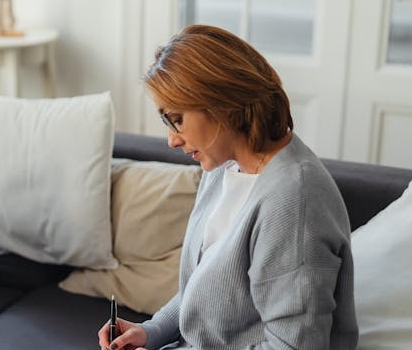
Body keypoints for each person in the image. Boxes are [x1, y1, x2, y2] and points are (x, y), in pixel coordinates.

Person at [98, 24, 357, 350]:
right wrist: (151, 331)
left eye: (177, 119)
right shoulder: (223, 166)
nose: (172, 140)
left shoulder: (294, 202)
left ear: (221, 103)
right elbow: (205, 289)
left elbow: (294, 347)